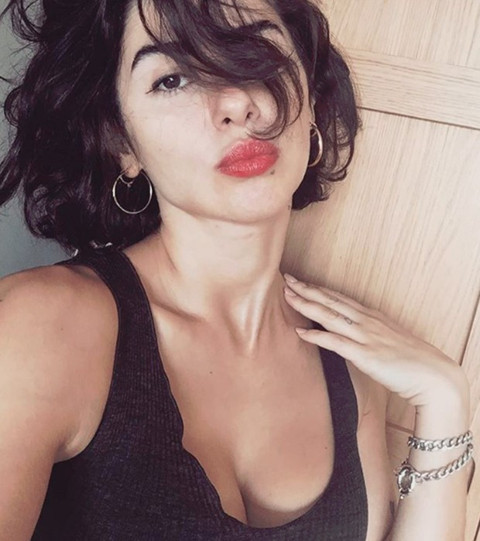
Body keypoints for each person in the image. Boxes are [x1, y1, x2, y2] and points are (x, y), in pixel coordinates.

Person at [0, 0, 472, 539]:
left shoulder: (353, 365)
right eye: (172, 79)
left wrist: (445, 402)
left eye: (258, 52)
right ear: (121, 142)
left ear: (311, 104)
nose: (236, 102)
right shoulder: (41, 326)